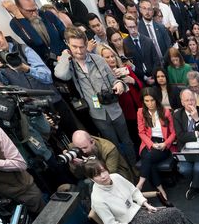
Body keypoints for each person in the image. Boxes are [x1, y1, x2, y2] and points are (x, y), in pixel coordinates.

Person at [0, 18, 80, 138]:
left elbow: (47, 77)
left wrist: (26, 68)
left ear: (1, 33)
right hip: (33, 113)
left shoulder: (24, 50)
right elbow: (1, 95)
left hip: (54, 103)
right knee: (55, 144)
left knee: (76, 136)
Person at [54, 27, 137, 167]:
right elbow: (61, 75)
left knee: (127, 141)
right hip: (97, 114)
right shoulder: (69, 65)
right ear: (67, 44)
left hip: (114, 109)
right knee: (112, 145)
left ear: (86, 44)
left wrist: (119, 84)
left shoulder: (98, 60)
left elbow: (114, 80)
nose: (79, 51)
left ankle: (134, 167)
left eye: (82, 46)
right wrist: (64, 55)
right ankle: (124, 170)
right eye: (74, 47)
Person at [87, 160, 199, 224]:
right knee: (173, 213)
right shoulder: (98, 199)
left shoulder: (116, 177)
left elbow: (134, 192)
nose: (103, 176)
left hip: (141, 210)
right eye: (97, 175)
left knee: (171, 215)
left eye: (103, 171)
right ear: (92, 179)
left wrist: (146, 204)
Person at [99, 44, 144, 150]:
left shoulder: (125, 68)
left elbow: (141, 86)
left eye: (112, 56)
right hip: (124, 114)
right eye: (107, 57)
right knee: (134, 139)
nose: (111, 59)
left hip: (139, 108)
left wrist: (132, 81)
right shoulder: (104, 77)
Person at [136, 87, 176, 206]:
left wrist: (165, 143)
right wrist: (151, 144)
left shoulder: (165, 112)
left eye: (152, 100)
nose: (150, 103)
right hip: (148, 143)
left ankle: (140, 184)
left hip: (163, 144)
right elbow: (141, 133)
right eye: (146, 101)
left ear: (156, 100)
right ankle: (161, 189)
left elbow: (173, 133)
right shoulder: (140, 112)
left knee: (148, 158)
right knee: (149, 160)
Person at [7, 0, 67, 65]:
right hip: (47, 65)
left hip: (66, 57)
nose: (35, 14)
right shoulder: (16, 24)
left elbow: (65, 33)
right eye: (29, 11)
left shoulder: (47, 14)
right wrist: (18, 15)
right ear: (19, 8)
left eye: (35, 9)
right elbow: (37, 41)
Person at [68, 130, 137, 184]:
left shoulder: (109, 149)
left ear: (92, 142)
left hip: (115, 173)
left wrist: (84, 164)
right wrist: (74, 166)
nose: (83, 151)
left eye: (85, 147)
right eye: (79, 149)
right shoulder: (74, 148)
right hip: (92, 174)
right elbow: (78, 176)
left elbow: (109, 175)